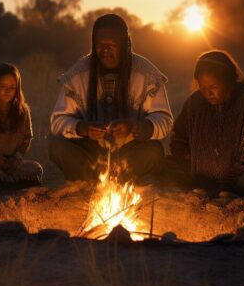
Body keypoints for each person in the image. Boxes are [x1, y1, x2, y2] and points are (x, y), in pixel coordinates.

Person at [48, 14, 173, 183]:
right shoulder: (78, 74)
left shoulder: (147, 74)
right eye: (100, 45)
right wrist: (82, 128)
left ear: (124, 43)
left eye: (112, 44)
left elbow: (164, 119)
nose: (105, 50)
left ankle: (120, 183)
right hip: (90, 154)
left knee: (154, 150)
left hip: (129, 152)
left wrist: (135, 127)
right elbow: (57, 122)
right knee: (57, 145)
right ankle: (89, 186)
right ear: (93, 44)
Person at [165, 50, 244, 195]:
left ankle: (229, 194)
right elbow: (178, 140)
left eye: (214, 87)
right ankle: (202, 188)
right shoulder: (194, 104)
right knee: (164, 166)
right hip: (198, 174)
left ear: (229, 80)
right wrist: (189, 161)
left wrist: (238, 169)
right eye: (203, 88)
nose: (208, 93)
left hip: (239, 176)